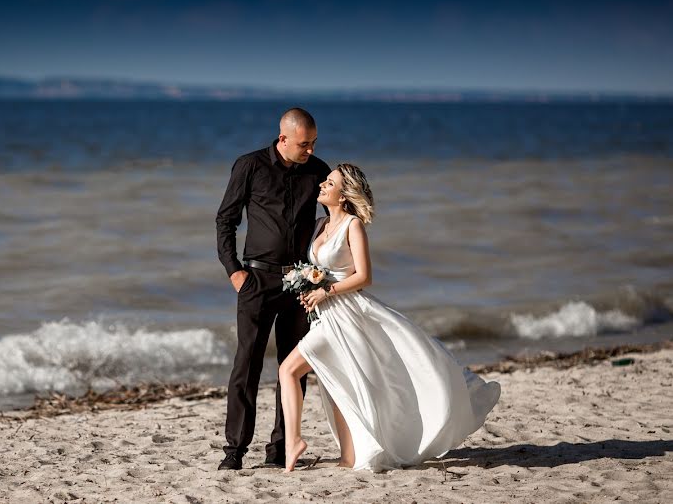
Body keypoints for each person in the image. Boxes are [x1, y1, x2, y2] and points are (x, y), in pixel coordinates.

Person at [278, 163, 502, 472]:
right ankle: (348, 456)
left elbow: (364, 276)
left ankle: (294, 442)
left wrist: (326, 291)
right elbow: (318, 271)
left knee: (289, 370)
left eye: (329, 184)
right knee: (336, 384)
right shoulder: (319, 225)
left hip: (344, 316)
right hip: (323, 316)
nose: (322, 186)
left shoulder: (352, 226)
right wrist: (308, 286)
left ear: (343, 196)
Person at [215, 107, 331, 470]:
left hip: (300, 282)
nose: (309, 150)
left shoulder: (319, 171)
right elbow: (226, 220)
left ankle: (280, 447)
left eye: (313, 143)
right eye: (303, 144)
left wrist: (325, 270)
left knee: (293, 366)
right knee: (246, 364)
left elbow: (337, 217)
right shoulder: (249, 166)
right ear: (283, 138)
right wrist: (235, 272)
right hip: (257, 280)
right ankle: (234, 451)